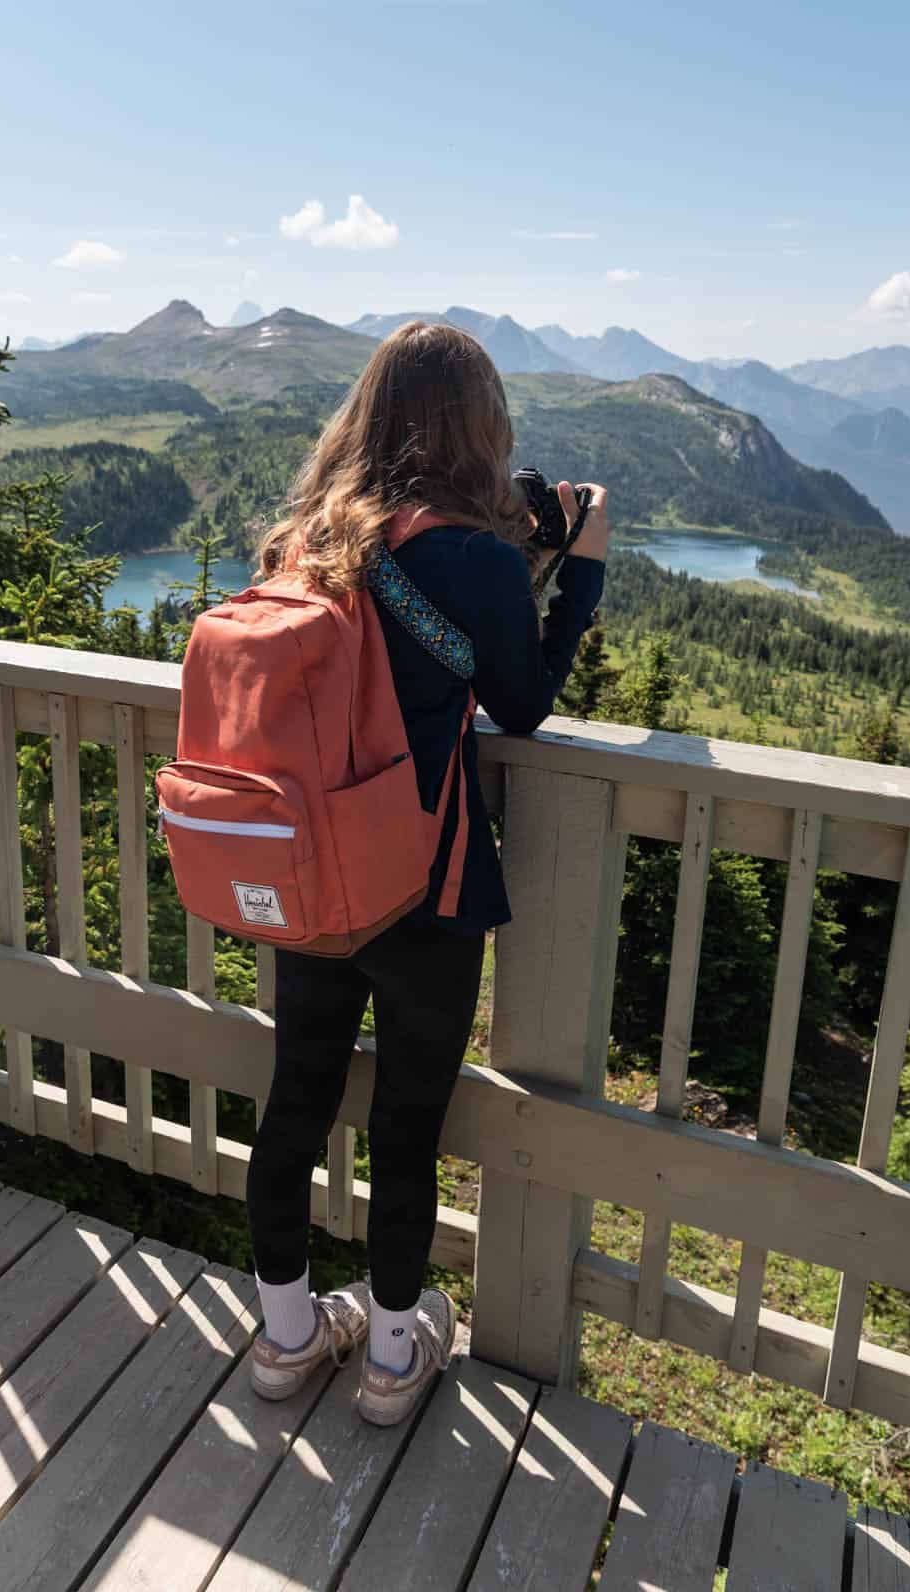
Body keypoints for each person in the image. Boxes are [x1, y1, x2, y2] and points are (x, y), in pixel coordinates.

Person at [245, 320, 609, 1425]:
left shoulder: (304, 544)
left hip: (310, 885)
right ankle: (395, 1359)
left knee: (295, 1101)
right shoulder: (477, 559)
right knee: (408, 1125)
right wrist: (577, 575)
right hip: (423, 890)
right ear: (479, 430)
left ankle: (286, 1338)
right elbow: (522, 701)